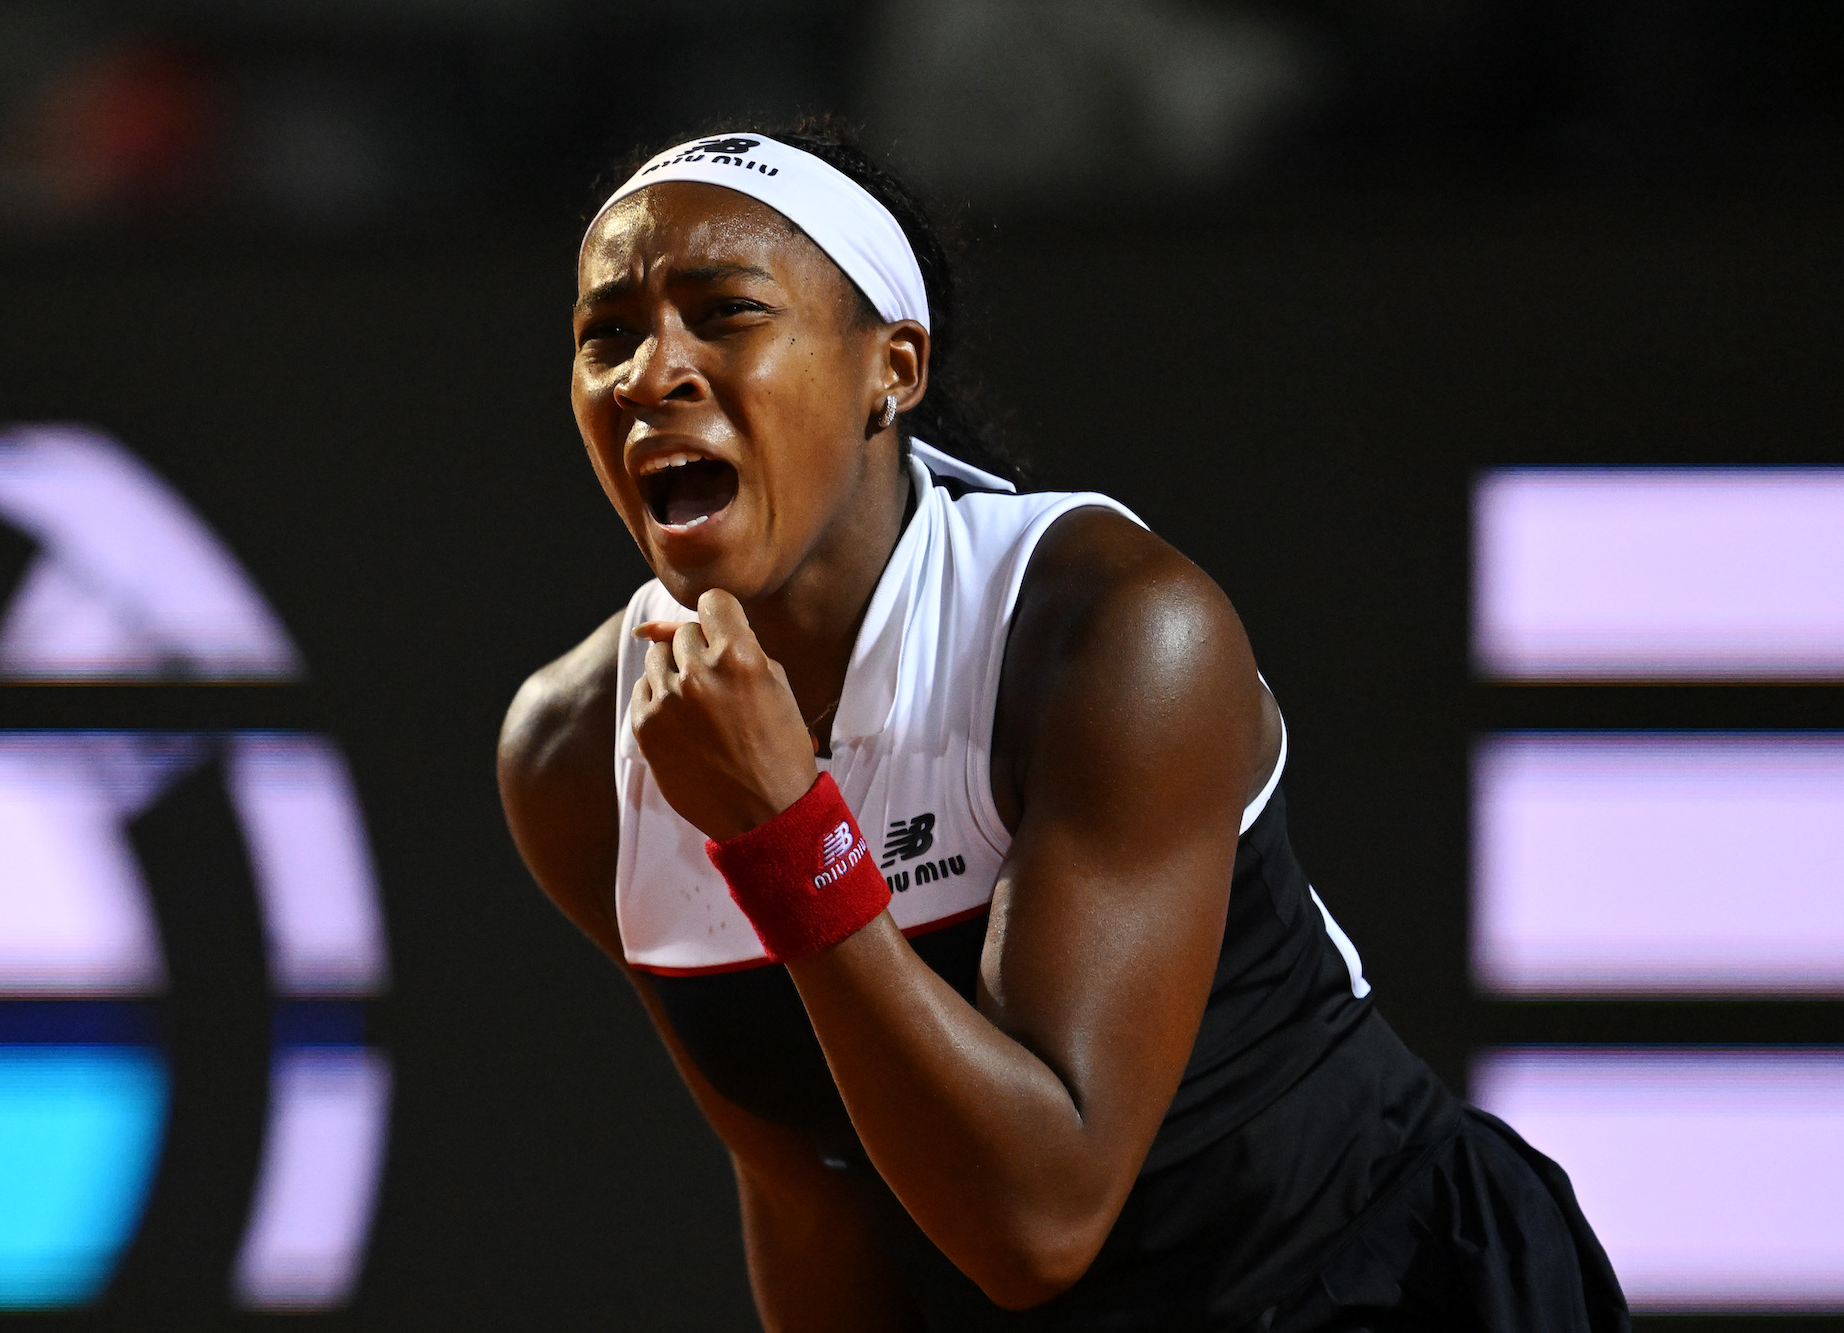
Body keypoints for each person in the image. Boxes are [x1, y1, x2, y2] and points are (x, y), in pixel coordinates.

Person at [498, 120, 1628, 1332]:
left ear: (894, 368)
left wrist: (782, 830)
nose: (648, 372)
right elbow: (803, 1185)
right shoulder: (574, 753)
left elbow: (1038, 1218)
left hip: (1367, 1288)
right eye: (605, 334)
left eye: (724, 312)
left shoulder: (1116, 631)